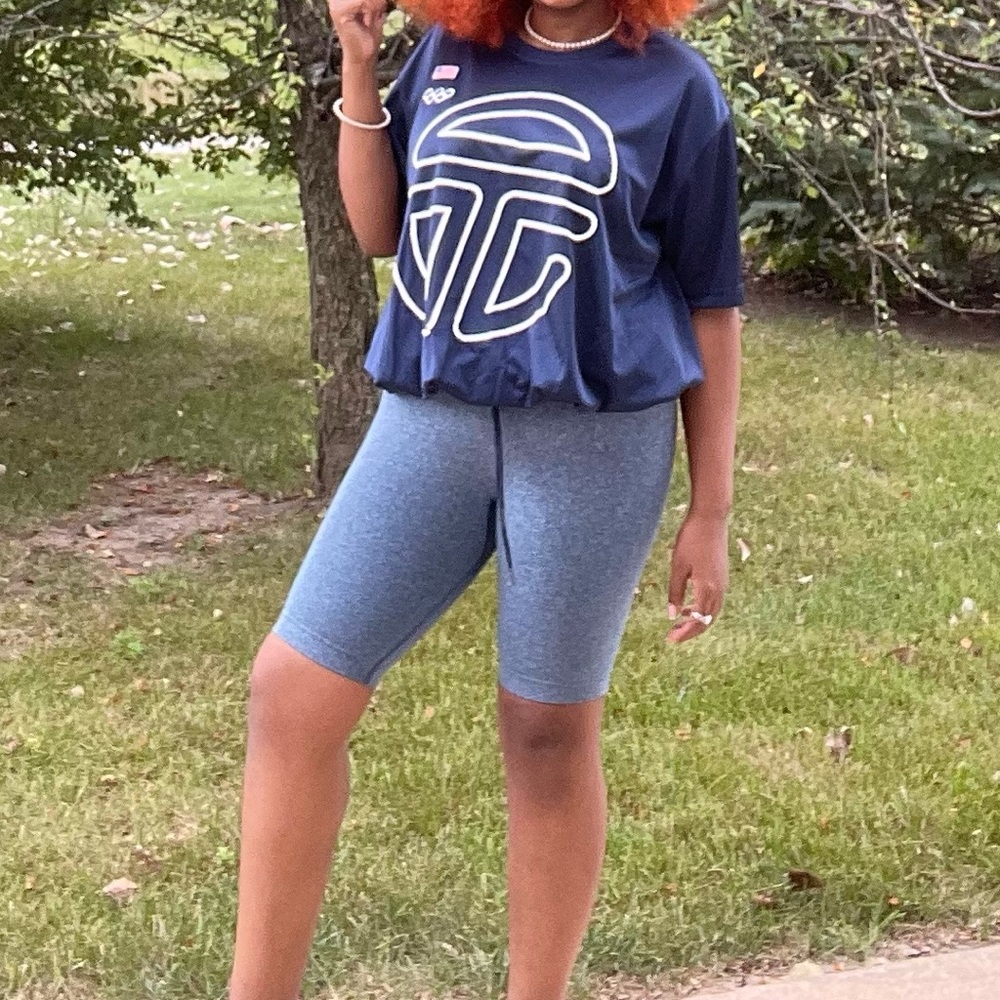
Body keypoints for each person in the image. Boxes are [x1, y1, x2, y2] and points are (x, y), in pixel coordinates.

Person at [229, 0, 742, 996]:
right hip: (429, 425)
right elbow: (378, 230)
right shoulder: (451, 50)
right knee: (290, 694)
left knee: (544, 732)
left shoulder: (678, 89)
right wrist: (358, 64)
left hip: (594, 441)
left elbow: (710, 305)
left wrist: (710, 510)